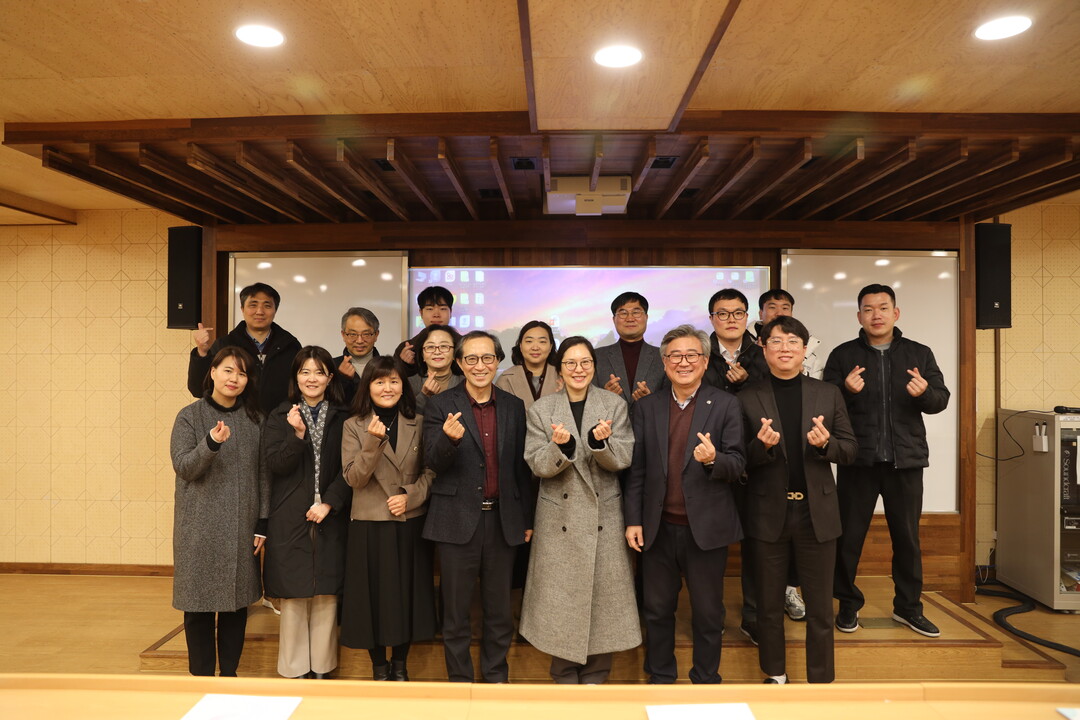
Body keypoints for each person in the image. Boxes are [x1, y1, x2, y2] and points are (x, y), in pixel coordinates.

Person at [824, 283, 950, 637]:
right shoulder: (843, 355)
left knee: (907, 540)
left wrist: (925, 393)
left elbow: (940, 399)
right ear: (859, 316)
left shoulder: (919, 353)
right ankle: (848, 604)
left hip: (905, 462)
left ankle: (908, 608)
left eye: (882, 308)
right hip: (857, 462)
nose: (876, 315)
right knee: (848, 539)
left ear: (895, 313)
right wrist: (845, 391)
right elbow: (824, 403)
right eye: (868, 309)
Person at [624, 324, 745, 684]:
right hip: (657, 528)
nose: (683, 362)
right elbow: (637, 470)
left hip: (704, 530)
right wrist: (633, 520)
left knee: (707, 613)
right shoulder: (646, 407)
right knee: (657, 608)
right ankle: (661, 675)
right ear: (664, 363)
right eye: (675, 355)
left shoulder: (726, 404)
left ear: (705, 361)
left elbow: (738, 464)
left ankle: (705, 678)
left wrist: (713, 460)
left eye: (692, 354)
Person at [739, 316, 857, 684]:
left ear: (805, 350)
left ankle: (820, 681)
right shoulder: (746, 397)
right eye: (776, 341)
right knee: (768, 606)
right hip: (767, 512)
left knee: (820, 607)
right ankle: (775, 675)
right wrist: (761, 447)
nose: (785, 348)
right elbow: (738, 460)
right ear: (764, 348)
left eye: (793, 341)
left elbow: (850, 450)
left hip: (816, 511)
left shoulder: (828, 393)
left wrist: (826, 445)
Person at [520, 336, 640, 684]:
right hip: (559, 518)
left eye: (585, 362)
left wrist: (600, 443)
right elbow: (536, 465)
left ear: (594, 366)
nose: (579, 369)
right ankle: (563, 674)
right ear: (560, 368)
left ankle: (597, 675)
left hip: (605, 517)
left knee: (604, 598)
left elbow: (623, 459)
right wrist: (563, 446)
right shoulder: (542, 409)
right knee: (560, 599)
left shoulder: (613, 405)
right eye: (570, 363)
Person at [422, 330, 534, 683]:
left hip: (502, 520)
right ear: (459, 363)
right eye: (471, 358)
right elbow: (431, 462)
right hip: (455, 521)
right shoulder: (440, 404)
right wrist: (448, 440)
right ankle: (460, 681)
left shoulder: (513, 406)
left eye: (487, 358)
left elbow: (521, 468)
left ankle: (495, 677)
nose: (480, 365)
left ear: (498, 361)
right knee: (455, 612)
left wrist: (526, 519)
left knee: (499, 611)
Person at [170, 346, 268, 677]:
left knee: (235, 606)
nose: (234, 378)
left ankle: (229, 677)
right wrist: (211, 443)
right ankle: (200, 679)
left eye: (242, 373)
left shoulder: (255, 420)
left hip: (242, 527)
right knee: (197, 607)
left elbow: (263, 475)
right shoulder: (189, 416)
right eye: (228, 370)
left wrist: (262, 522)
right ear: (212, 372)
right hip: (197, 527)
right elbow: (184, 467)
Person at [340, 356, 437, 682]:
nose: (387, 388)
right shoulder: (353, 425)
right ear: (368, 387)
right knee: (373, 600)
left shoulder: (419, 422)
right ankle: (379, 668)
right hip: (369, 524)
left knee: (406, 597)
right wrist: (373, 441)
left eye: (394, 381)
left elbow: (431, 472)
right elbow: (354, 478)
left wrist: (410, 496)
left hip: (409, 522)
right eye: (379, 381)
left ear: (403, 386)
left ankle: (400, 666)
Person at [261, 346, 350, 680]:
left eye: (319, 372)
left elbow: (349, 469)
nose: (312, 379)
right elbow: (275, 464)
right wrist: (297, 435)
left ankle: (323, 668)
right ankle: (294, 669)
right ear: (296, 377)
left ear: (330, 377)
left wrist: (330, 502)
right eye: (305, 372)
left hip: (331, 513)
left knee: (326, 594)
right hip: (289, 515)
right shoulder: (279, 415)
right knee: (294, 595)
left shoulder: (343, 416)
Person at [701, 288, 770, 645]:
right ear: (711, 318)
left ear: (748, 317)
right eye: (723, 313)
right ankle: (709, 618)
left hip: (755, 461)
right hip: (710, 460)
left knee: (756, 545)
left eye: (738, 313)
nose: (731, 319)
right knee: (708, 545)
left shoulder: (763, 354)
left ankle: (753, 617)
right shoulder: (699, 353)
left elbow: (774, 396)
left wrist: (748, 383)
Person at [187, 282, 302, 415]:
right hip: (235, 421)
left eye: (267, 305)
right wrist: (202, 352)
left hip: (281, 421)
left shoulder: (290, 345)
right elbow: (198, 389)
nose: (259, 311)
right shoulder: (225, 344)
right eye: (253, 305)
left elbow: (300, 389)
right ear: (242, 309)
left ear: (275, 310)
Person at [593, 292, 666, 407]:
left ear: (646, 317)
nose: (630, 318)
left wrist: (652, 401)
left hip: (651, 418)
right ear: (614, 319)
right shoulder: (596, 357)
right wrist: (603, 397)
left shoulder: (664, 356)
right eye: (623, 313)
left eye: (636, 312)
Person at [753, 289, 825, 380]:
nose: (779, 313)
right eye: (772, 307)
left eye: (785, 308)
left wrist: (802, 373)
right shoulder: (746, 344)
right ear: (760, 313)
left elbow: (816, 385)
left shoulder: (808, 347)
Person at [496, 320, 560, 410]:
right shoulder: (505, 379)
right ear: (520, 346)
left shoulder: (563, 377)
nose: (535, 347)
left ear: (550, 346)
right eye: (529, 341)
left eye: (542, 342)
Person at [395, 285, 454, 377]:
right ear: (421, 313)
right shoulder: (406, 348)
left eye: (443, 309)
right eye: (430, 309)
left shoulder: (464, 345)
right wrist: (406, 365)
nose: (436, 314)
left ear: (450, 312)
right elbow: (395, 381)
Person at [407, 324, 463, 417]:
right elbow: (406, 418)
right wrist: (424, 396)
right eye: (430, 347)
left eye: (444, 346)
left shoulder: (465, 383)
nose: (437, 352)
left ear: (454, 353)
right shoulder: (409, 383)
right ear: (422, 355)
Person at [332, 307, 381, 402]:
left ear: (376, 335)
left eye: (366, 334)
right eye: (353, 334)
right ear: (343, 335)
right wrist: (342, 379)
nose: (359, 341)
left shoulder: (388, 368)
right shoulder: (330, 367)